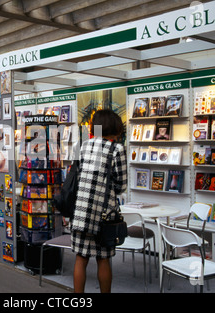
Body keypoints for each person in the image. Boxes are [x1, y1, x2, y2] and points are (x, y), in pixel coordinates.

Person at [70, 109, 127, 293]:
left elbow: (76, 177)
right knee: (103, 259)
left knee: (81, 258)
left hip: (80, 212)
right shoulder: (117, 149)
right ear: (115, 128)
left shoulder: (83, 146)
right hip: (103, 214)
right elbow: (121, 185)